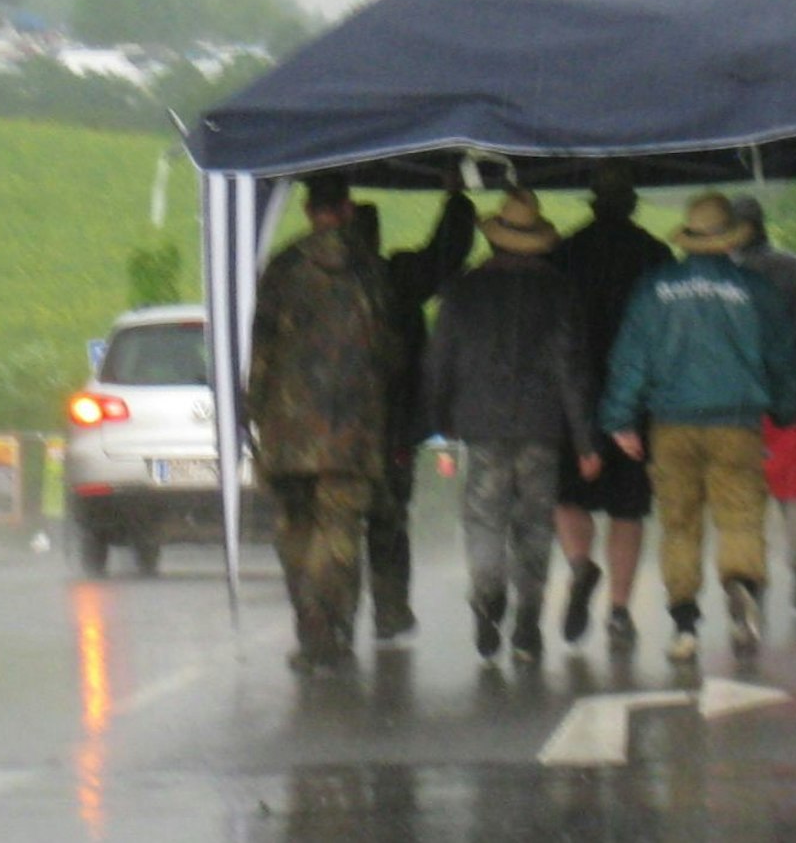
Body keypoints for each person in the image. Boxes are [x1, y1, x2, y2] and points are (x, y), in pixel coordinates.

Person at [599, 192, 796, 663]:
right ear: (730, 238)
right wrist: (787, 408)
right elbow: (783, 357)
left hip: (671, 426)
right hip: (736, 424)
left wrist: (619, 420)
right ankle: (741, 587)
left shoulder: (654, 290)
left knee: (679, 525)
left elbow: (631, 359)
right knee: (740, 516)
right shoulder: (757, 291)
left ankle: (685, 625)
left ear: (689, 238)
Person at [424, 188, 598, 664]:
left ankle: (487, 598)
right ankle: (527, 625)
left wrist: (439, 418)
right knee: (534, 524)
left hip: (480, 422)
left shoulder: (463, 290)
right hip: (543, 425)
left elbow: (440, 360)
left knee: (484, 516)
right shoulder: (560, 291)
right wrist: (585, 440)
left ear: (495, 238)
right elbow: (570, 369)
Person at [247, 172, 398, 673]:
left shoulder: (283, 268)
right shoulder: (370, 272)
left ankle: (311, 621)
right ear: (348, 209)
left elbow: (261, 353)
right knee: (339, 530)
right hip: (352, 431)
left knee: (295, 527)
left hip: (287, 433)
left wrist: (255, 416)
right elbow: (390, 352)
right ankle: (334, 629)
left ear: (310, 210)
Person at [547, 161, 676, 653]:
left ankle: (581, 565)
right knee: (628, 508)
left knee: (569, 496)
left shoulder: (564, 254)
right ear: (633, 204)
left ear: (592, 203)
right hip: (636, 402)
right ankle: (619, 611)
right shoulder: (655, 255)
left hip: (573, 398)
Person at [348, 176, 476, 645]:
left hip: (333, 432)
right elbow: (447, 254)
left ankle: (334, 620)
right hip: (390, 428)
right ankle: (389, 609)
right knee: (388, 520)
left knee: (338, 525)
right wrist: (456, 198)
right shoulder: (397, 279)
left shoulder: (310, 282)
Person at [731, 194, 796, 611]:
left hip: (741, 399)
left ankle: (750, 580)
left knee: (744, 492)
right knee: (794, 488)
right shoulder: (795, 268)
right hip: (795, 395)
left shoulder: (727, 277)